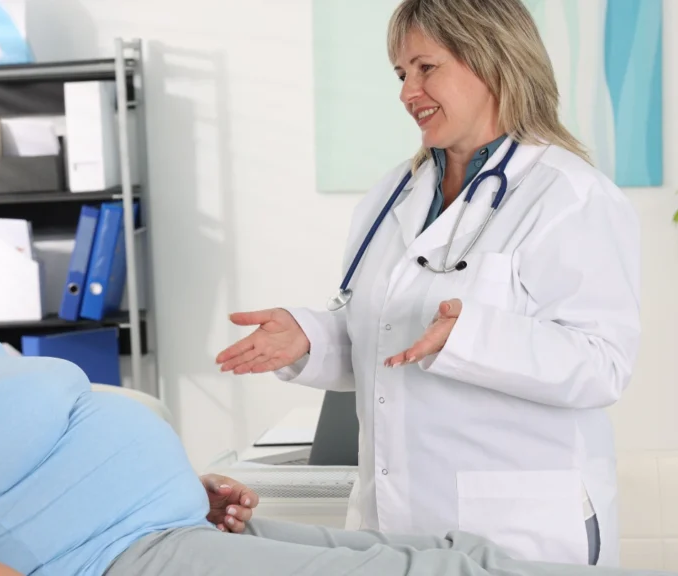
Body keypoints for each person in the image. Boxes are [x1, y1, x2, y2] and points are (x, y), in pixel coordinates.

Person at [0, 131, 669, 576]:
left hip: (175, 527)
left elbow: (22, 461)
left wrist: (182, 485)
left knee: (445, 554)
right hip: (132, 562)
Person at [216, 0, 640, 569]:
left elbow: (603, 363)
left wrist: (471, 338)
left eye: (424, 67)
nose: (406, 92)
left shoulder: (569, 194)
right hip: (396, 517)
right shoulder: (394, 193)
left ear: (491, 59)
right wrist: (311, 338)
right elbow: (391, 339)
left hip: (521, 526)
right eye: (400, 74)